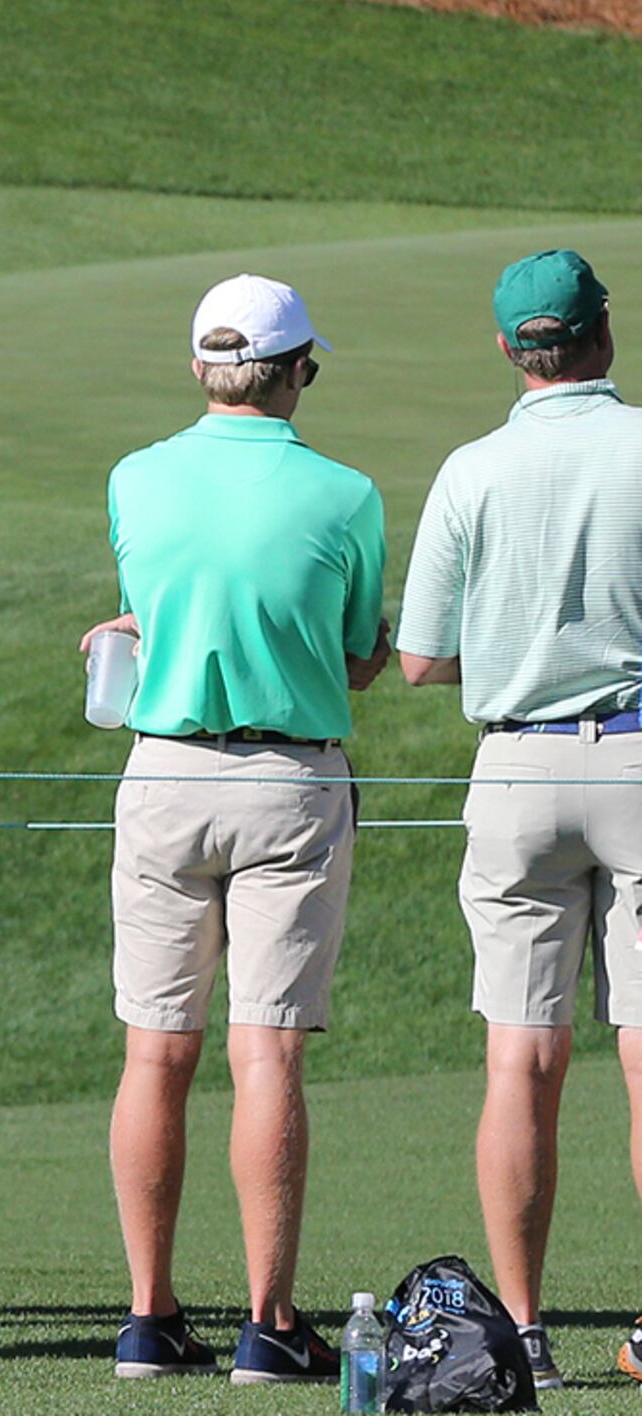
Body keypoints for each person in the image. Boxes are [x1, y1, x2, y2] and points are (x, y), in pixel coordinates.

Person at [93, 273, 387, 1385]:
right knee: (264, 1050)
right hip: (288, 778)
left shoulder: (136, 477)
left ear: (203, 370)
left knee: (155, 1051)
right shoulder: (347, 492)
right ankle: (268, 1323)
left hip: (163, 773)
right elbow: (359, 652)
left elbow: (154, 604)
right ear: (299, 368)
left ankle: (148, 1319)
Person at [394, 250, 642, 1391]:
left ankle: (526, 1333)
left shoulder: (471, 469)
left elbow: (421, 660)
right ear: (604, 333)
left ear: (510, 351)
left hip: (517, 767)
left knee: (522, 1057)